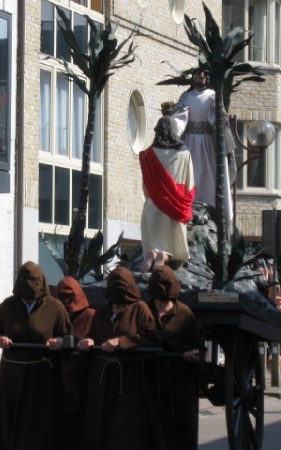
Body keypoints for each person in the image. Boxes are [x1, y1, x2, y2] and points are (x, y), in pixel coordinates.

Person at [0, 261, 72, 450]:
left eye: (34, 280)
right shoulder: (8, 305)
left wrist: (59, 341)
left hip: (42, 376)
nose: (29, 284)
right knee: (12, 418)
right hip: (12, 374)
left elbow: (68, 336)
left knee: (39, 422)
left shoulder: (55, 307)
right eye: (24, 280)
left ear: (41, 281)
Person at [77, 266, 160, 450]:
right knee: (101, 424)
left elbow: (152, 339)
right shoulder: (101, 311)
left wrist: (122, 342)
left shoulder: (140, 309)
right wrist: (88, 341)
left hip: (128, 380)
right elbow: (94, 336)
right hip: (102, 379)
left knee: (124, 426)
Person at [145, 265, 202, 450]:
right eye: (160, 302)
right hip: (151, 380)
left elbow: (198, 346)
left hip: (178, 381)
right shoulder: (144, 311)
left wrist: (192, 354)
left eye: (166, 302)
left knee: (180, 430)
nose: (163, 306)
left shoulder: (184, 313)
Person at [173, 68, 234, 224]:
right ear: (193, 77)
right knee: (190, 174)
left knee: (208, 175)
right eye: (197, 75)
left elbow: (221, 118)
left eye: (203, 75)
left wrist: (221, 120)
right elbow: (178, 117)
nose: (200, 78)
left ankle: (210, 208)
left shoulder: (213, 96)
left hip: (207, 143)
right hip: (188, 142)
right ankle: (190, 206)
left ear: (207, 78)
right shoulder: (185, 97)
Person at [138, 115, 195, 271]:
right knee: (169, 249)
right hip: (174, 208)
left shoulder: (147, 155)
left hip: (153, 205)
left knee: (153, 244)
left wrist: (154, 197)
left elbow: (146, 187)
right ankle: (163, 257)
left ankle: (151, 254)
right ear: (174, 132)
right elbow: (189, 185)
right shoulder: (184, 153)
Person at [53, 276, 95, 450]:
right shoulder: (53, 315)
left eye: (70, 296)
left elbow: (99, 337)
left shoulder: (91, 316)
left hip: (84, 377)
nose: (66, 301)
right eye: (62, 296)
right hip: (56, 376)